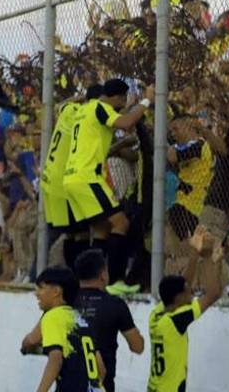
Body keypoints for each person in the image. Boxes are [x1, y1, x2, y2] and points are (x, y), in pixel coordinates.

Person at [64, 79, 155, 295]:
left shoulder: (84, 110)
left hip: (73, 178)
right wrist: (147, 100)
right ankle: (115, 281)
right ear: (118, 97)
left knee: (102, 229)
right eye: (123, 100)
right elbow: (126, 123)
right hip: (88, 178)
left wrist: (120, 144)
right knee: (121, 222)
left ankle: (88, 282)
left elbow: (98, 148)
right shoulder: (100, 107)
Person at [147, 228, 223, 392]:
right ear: (178, 298)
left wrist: (194, 252)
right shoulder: (177, 320)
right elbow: (214, 293)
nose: (192, 291)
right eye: (188, 292)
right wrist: (212, 259)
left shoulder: (157, 314)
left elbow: (184, 283)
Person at [41, 85, 102, 267]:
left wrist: (80, 97)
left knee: (69, 232)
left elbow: (60, 105)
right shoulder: (89, 116)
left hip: (51, 178)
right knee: (81, 233)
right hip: (66, 180)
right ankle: (78, 275)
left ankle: (68, 272)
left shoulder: (69, 110)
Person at [72, 249, 144, 392]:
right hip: (102, 386)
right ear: (103, 275)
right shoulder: (115, 305)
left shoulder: (65, 302)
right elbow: (138, 347)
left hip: (69, 385)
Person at [28, 266, 104, 392]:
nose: (36, 293)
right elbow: (101, 368)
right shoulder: (81, 319)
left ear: (56, 291)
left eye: (41, 288)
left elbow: (56, 358)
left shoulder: (53, 316)